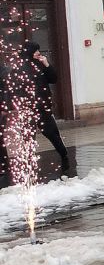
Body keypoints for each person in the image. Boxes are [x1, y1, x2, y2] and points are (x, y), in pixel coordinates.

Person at [20, 42, 69, 174]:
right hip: (28, 108)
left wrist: (47, 64)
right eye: (35, 50)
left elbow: (53, 79)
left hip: (43, 108)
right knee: (28, 137)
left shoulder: (40, 64)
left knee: (52, 133)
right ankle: (28, 164)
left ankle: (64, 155)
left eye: (38, 50)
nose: (38, 53)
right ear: (29, 51)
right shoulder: (20, 67)